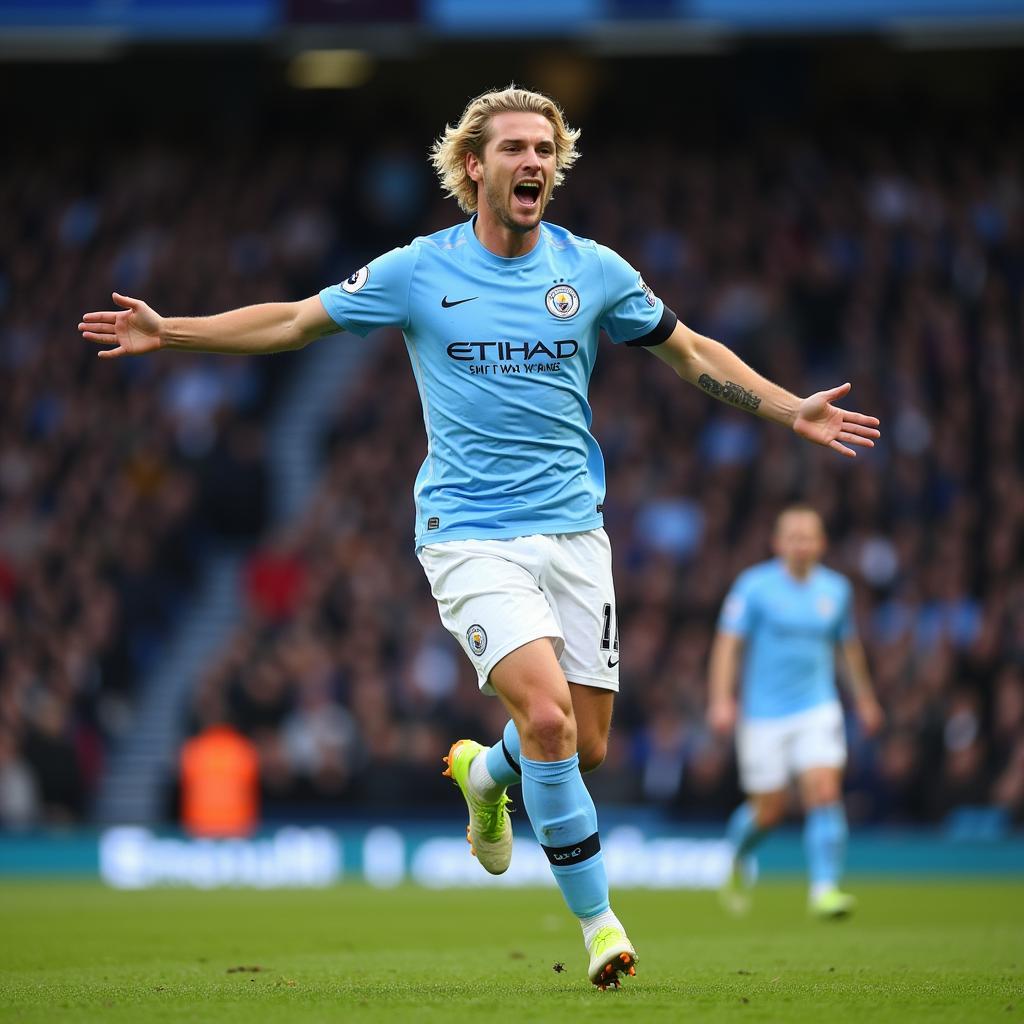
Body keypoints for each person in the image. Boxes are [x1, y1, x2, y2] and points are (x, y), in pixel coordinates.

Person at [79, 86, 880, 987]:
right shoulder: (420, 271)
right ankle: (602, 929)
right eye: (513, 149)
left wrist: (788, 409)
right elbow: (298, 321)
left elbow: (691, 352)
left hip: (577, 535)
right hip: (468, 535)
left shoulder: (597, 272)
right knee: (546, 717)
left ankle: (486, 776)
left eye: (545, 148)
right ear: (475, 166)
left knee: (584, 746)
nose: (533, 161)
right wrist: (172, 330)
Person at [707, 506, 884, 919]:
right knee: (768, 811)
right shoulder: (754, 587)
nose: (801, 544)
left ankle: (825, 889)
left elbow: (847, 647)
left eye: (808, 536)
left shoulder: (836, 590)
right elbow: (727, 645)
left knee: (824, 790)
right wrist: (721, 698)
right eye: (792, 536)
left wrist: (865, 699)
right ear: (777, 543)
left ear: (821, 543)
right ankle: (737, 854)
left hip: (817, 707)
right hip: (763, 715)